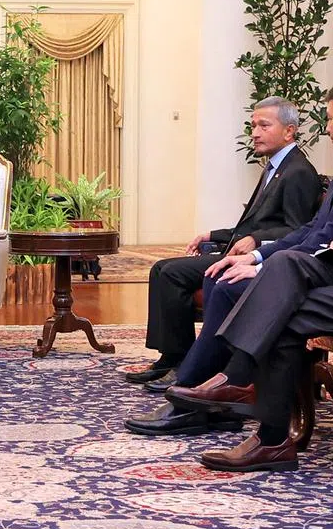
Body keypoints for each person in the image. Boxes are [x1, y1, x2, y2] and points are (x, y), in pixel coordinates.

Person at [165, 83, 333, 472]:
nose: (326, 127)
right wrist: (258, 257)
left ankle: (237, 377)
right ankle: (272, 441)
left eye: (330, 118)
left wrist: (260, 263)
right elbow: (314, 230)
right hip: (327, 275)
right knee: (282, 318)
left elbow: (312, 238)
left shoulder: (299, 172)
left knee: (284, 267)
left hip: (328, 271)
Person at [129, 96, 318, 389]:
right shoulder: (275, 167)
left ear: (289, 131)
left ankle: (183, 362)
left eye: (264, 125)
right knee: (160, 269)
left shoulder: (299, 172)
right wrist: (212, 235)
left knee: (171, 273)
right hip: (242, 249)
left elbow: (299, 229)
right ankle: (171, 358)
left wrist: (256, 240)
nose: (254, 133)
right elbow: (253, 224)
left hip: (262, 257)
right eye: (253, 125)